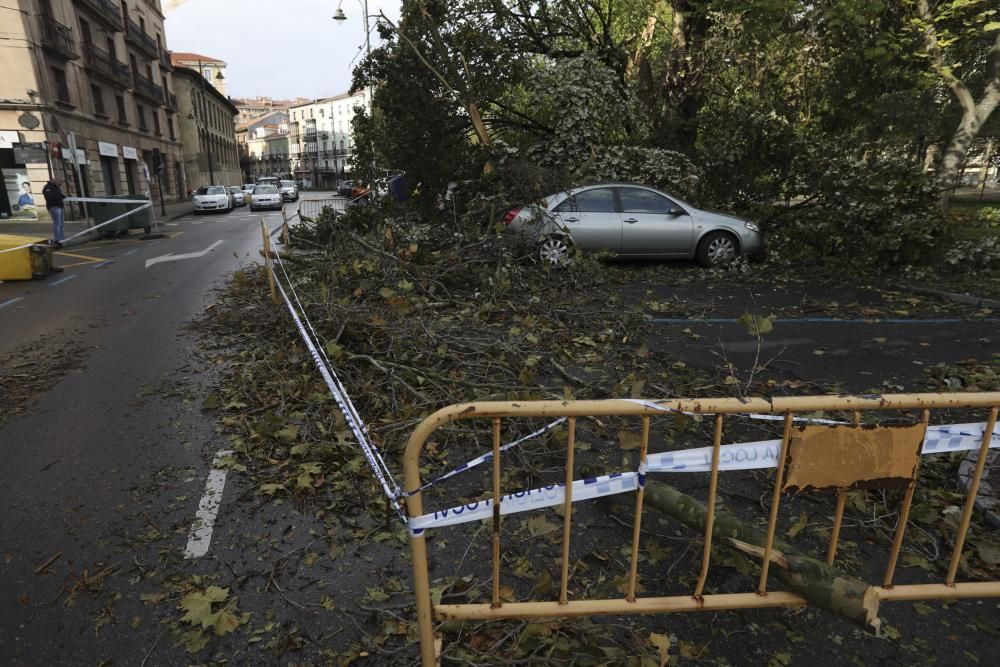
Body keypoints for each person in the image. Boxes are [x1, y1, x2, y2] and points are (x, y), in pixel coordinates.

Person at [42, 177, 66, 243]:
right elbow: (50, 197)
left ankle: (62, 239)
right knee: (57, 224)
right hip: (54, 207)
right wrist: (62, 196)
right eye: (60, 183)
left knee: (61, 224)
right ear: (55, 181)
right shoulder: (48, 187)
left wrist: (62, 196)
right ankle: (58, 240)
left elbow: (58, 195)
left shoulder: (56, 187)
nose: (60, 185)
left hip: (59, 207)